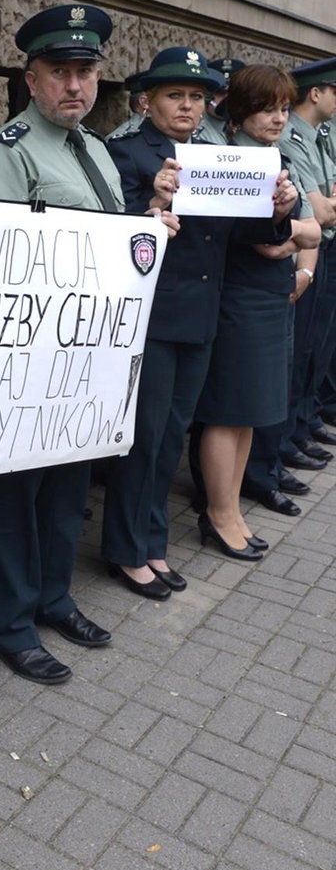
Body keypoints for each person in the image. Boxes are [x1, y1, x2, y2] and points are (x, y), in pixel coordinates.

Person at [0, 4, 172, 682]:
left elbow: (105, 244)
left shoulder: (93, 150)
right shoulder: (9, 153)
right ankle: (10, 621)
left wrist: (146, 231)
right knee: (14, 498)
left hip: (89, 357)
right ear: (32, 78)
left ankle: (53, 597)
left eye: (85, 72)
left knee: (66, 489)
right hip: (28, 360)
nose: (75, 86)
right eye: (60, 72)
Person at [103, 50, 298, 591]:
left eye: (195, 96)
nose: (186, 105)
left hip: (202, 316)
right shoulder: (125, 152)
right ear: (148, 100)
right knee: (143, 437)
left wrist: (276, 213)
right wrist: (150, 200)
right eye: (174, 95)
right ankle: (125, 548)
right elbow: (107, 230)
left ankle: (153, 542)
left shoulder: (214, 156)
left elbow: (237, 237)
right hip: (152, 317)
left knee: (170, 438)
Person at [194, 65, 318, 557]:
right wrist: (295, 236)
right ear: (241, 111)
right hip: (241, 296)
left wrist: (294, 237)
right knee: (229, 410)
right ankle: (218, 513)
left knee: (252, 412)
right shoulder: (232, 162)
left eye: (284, 109)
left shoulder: (276, 156)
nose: (278, 118)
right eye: (267, 108)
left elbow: (310, 230)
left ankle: (232, 509)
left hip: (270, 295)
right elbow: (265, 242)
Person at [278, 58, 336, 475]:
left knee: (317, 345)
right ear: (315, 93)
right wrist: (326, 207)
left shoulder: (316, 137)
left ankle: (301, 425)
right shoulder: (293, 137)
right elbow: (320, 210)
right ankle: (285, 438)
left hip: (321, 251)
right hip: (302, 253)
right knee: (298, 352)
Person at [193, 57, 245, 145]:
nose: (228, 98)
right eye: (221, 92)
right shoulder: (197, 133)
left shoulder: (239, 130)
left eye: (234, 93)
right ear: (207, 95)